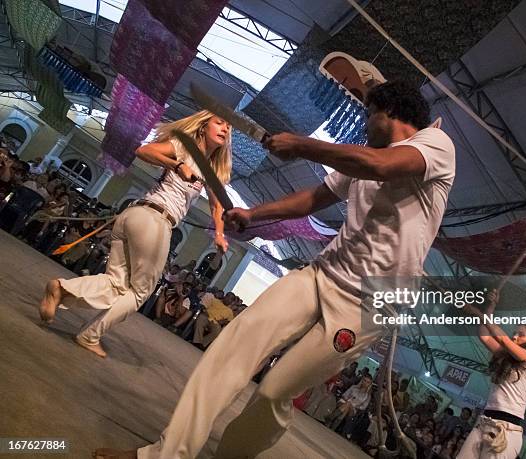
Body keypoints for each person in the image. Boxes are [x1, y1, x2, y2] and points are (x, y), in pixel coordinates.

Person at [95, 79, 456, 458]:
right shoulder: (362, 156)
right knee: (232, 348)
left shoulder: (434, 145)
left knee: (275, 391)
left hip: (373, 301)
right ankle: (165, 454)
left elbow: (383, 167)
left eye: (368, 115)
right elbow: (313, 198)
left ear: (391, 112)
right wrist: (253, 214)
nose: (364, 125)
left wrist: (302, 145)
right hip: (323, 273)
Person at [38, 110, 232, 358]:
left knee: (118, 284)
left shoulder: (211, 170)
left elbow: (217, 206)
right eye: (220, 122)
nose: (226, 129)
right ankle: (90, 335)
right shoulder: (184, 147)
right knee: (140, 292)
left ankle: (61, 288)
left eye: (228, 127)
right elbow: (144, 151)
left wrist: (219, 233)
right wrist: (177, 164)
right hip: (154, 220)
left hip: (136, 217)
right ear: (203, 126)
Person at [457, 291, 526, 459]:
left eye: (521, 335)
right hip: (484, 422)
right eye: (514, 332)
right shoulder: (504, 356)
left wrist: (478, 313)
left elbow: (503, 340)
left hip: (506, 429)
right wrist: (491, 306)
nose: (515, 336)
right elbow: (484, 336)